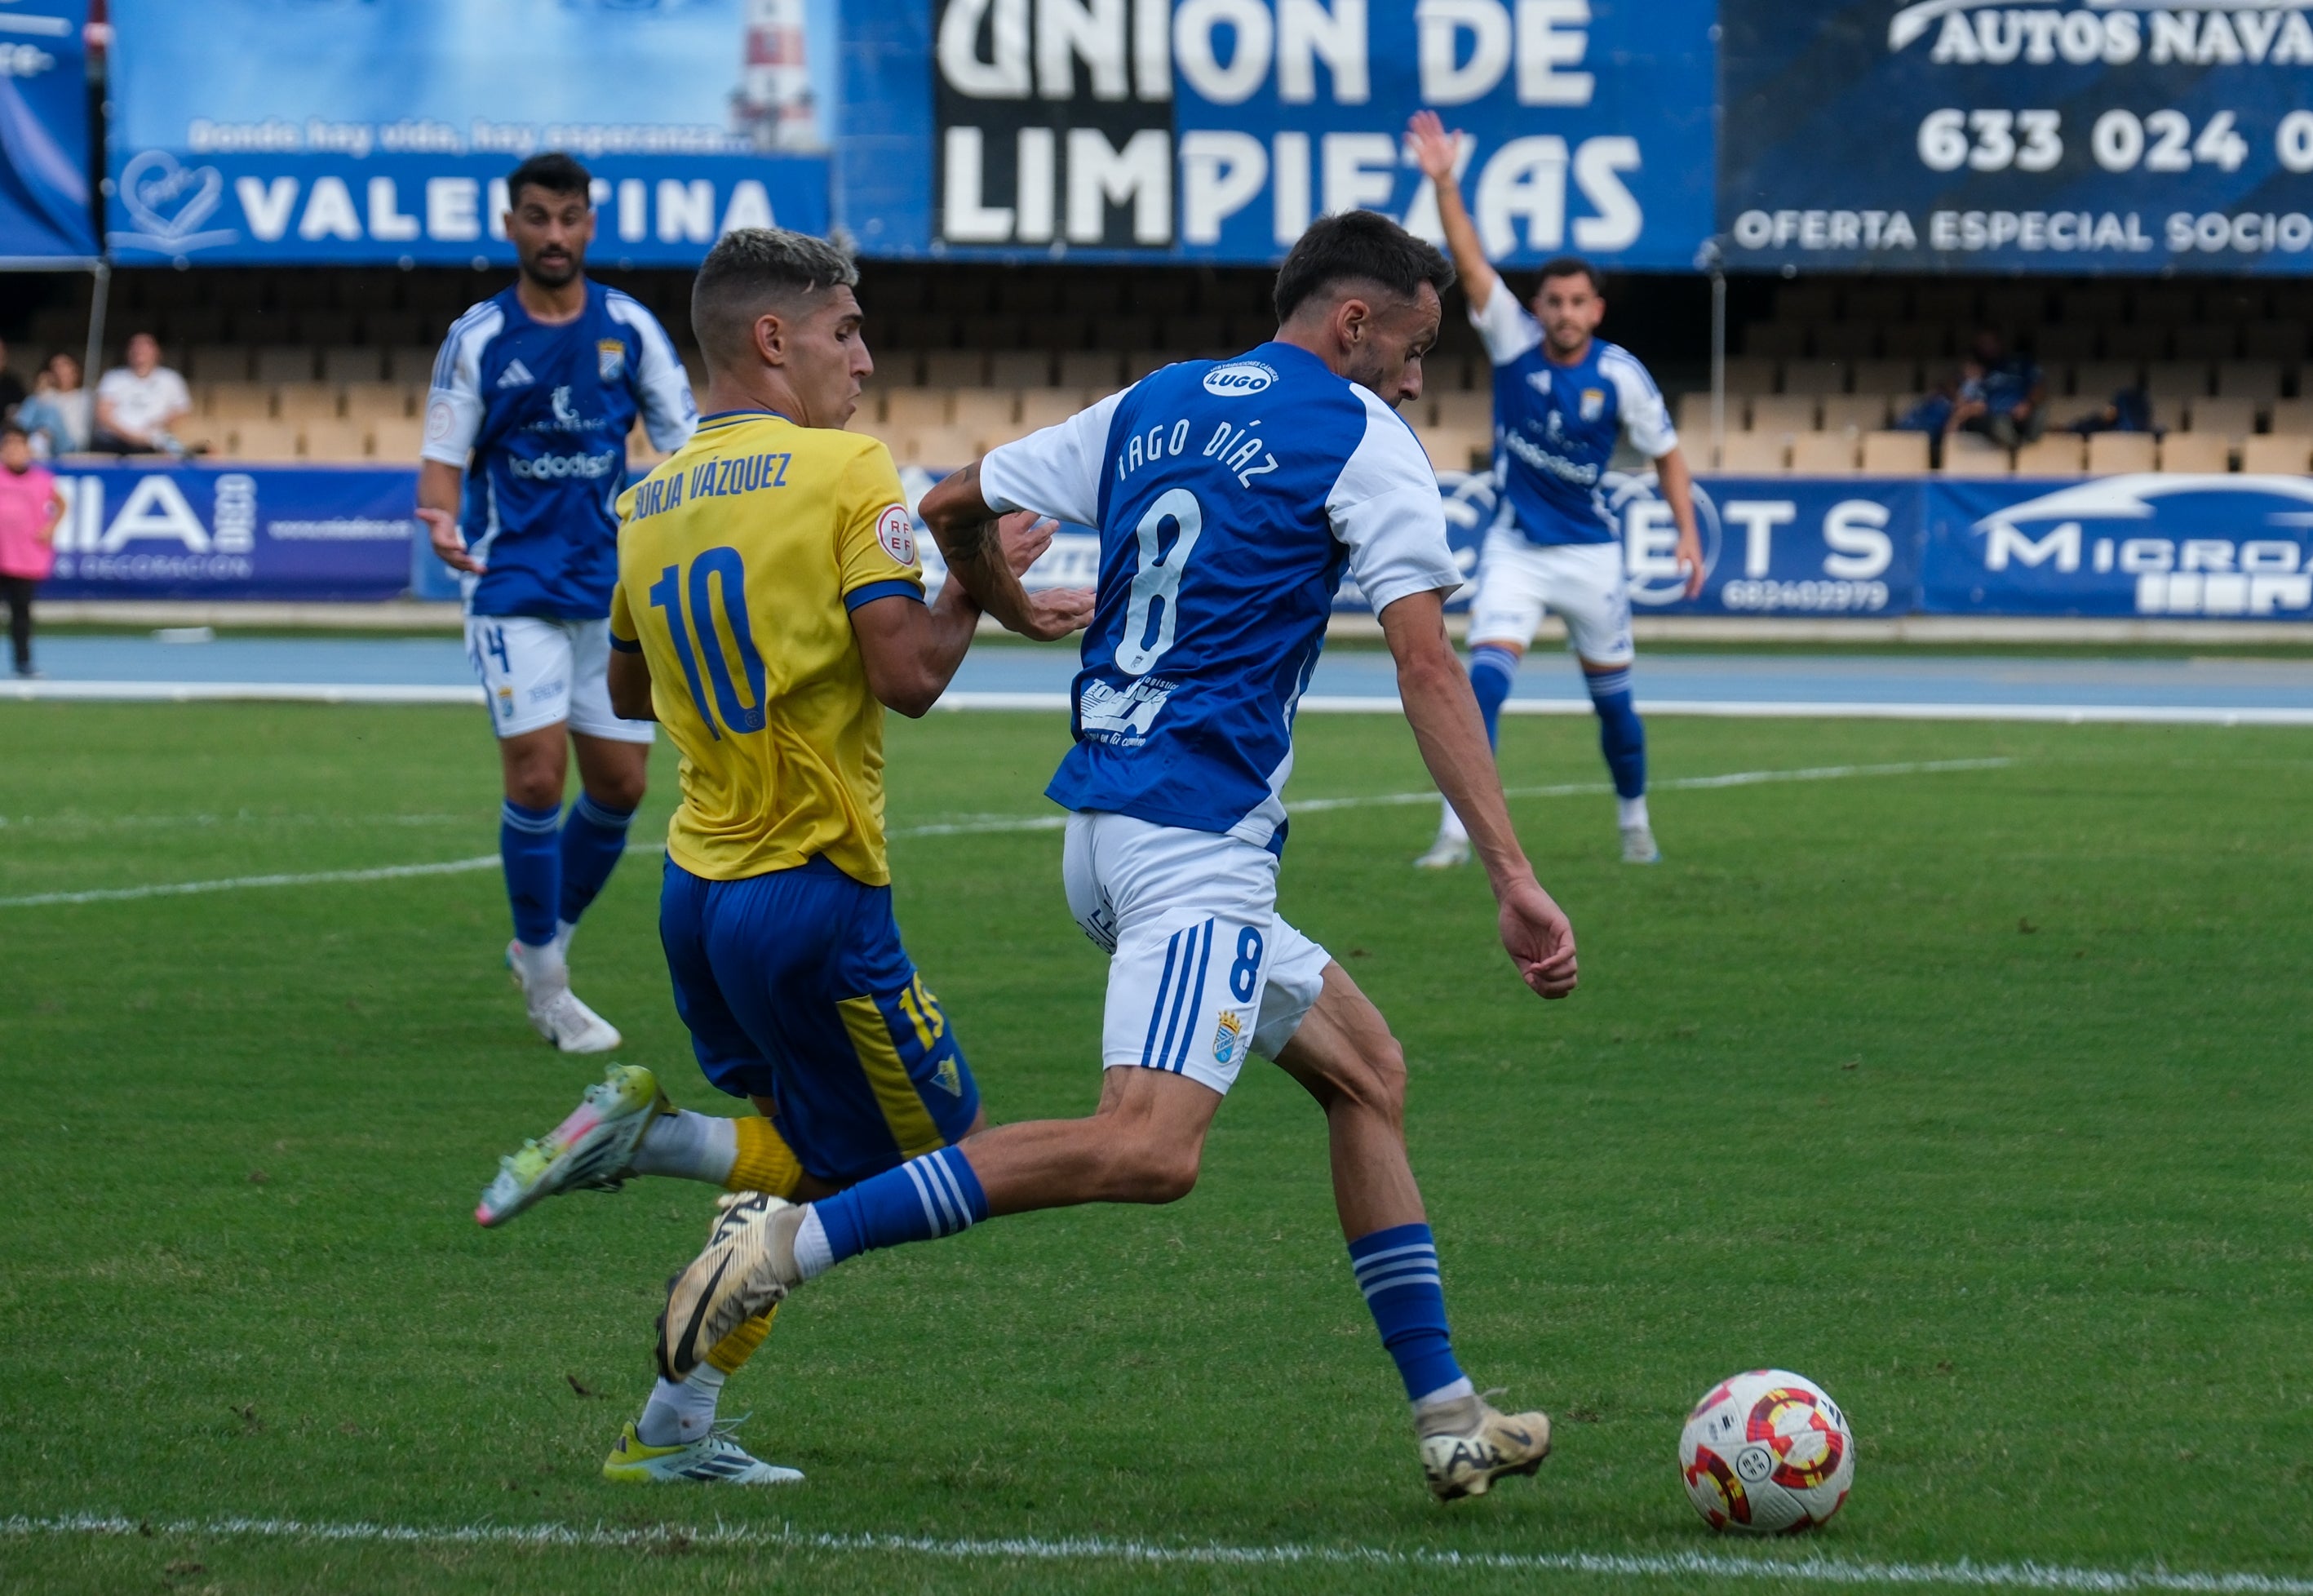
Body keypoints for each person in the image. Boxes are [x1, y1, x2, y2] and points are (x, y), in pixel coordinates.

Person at [651, 211, 1583, 1503]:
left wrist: (1014, 603)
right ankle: (787, 1247)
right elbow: (1426, 662)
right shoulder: (1361, 437)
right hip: (1192, 847)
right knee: (1148, 1149)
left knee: (1365, 1071)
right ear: (1351, 322)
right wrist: (1510, 873)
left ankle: (1446, 1416)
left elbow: (950, 501)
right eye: (1415, 349)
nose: (1420, 382)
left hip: (1102, 833)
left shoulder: (1157, 400)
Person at [471, 226, 1090, 1484]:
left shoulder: (641, 499)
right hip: (811, 894)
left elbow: (635, 693)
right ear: (774, 338)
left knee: (801, 1152)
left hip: (694, 892)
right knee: (926, 1155)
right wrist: (973, 589)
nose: (863, 358)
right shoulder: (844, 468)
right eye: (846, 330)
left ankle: (672, 1430)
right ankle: (645, 1144)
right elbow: (908, 677)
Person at [415, 152, 698, 1053]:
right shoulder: (478, 337)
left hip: (613, 595)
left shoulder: (631, 329)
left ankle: (542, 939)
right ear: (511, 226)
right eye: (536, 217)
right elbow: (442, 460)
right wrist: (438, 516)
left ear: (589, 222)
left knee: (620, 786)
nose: (553, 234)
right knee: (538, 776)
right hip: (515, 588)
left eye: (569, 217)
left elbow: (688, 447)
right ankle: (548, 984)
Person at [1404, 111, 1702, 870]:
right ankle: (1456, 834)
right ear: (1537, 307)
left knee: (1615, 708)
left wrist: (1687, 538)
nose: (1563, 313)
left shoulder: (1620, 375)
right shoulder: (1513, 342)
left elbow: (1667, 456)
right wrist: (1445, 182)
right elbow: (1469, 264)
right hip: (1516, 549)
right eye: (1553, 301)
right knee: (1483, 690)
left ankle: (1634, 820)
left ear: (1595, 310)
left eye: (1577, 302)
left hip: (1591, 559)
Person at [0, 423, 65, 678]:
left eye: (20, 446)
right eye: (9, 446)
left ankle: (23, 663)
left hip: (24, 556)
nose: (15, 451)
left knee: (21, 614)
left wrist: (50, 528)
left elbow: (61, 504)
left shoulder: (42, 480)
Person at [91, 333, 192, 455]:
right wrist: (131, 437)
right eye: (135, 347)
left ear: (156, 352)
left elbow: (181, 412)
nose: (139, 351)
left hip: (154, 441)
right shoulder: (113, 378)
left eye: (145, 347)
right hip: (114, 442)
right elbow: (103, 414)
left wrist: (157, 425)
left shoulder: (171, 379)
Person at [1948, 330, 2045, 450]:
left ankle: (2023, 441)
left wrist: (2028, 404)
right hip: (1989, 417)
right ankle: (2012, 444)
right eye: (1982, 344)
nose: (1986, 348)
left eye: (1989, 343)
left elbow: (2038, 387)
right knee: (1995, 423)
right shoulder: (1978, 368)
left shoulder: (2021, 363)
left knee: (2040, 412)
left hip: (2019, 416)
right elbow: (1962, 399)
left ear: (1999, 343)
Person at [18, 353, 91, 459]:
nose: (60, 371)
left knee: (52, 411)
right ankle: (22, 443)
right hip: (44, 442)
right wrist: (41, 390)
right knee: (32, 402)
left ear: (75, 370)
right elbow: (26, 420)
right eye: (55, 367)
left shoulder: (85, 396)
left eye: (64, 366)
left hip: (71, 444)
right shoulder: (47, 395)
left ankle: (36, 446)